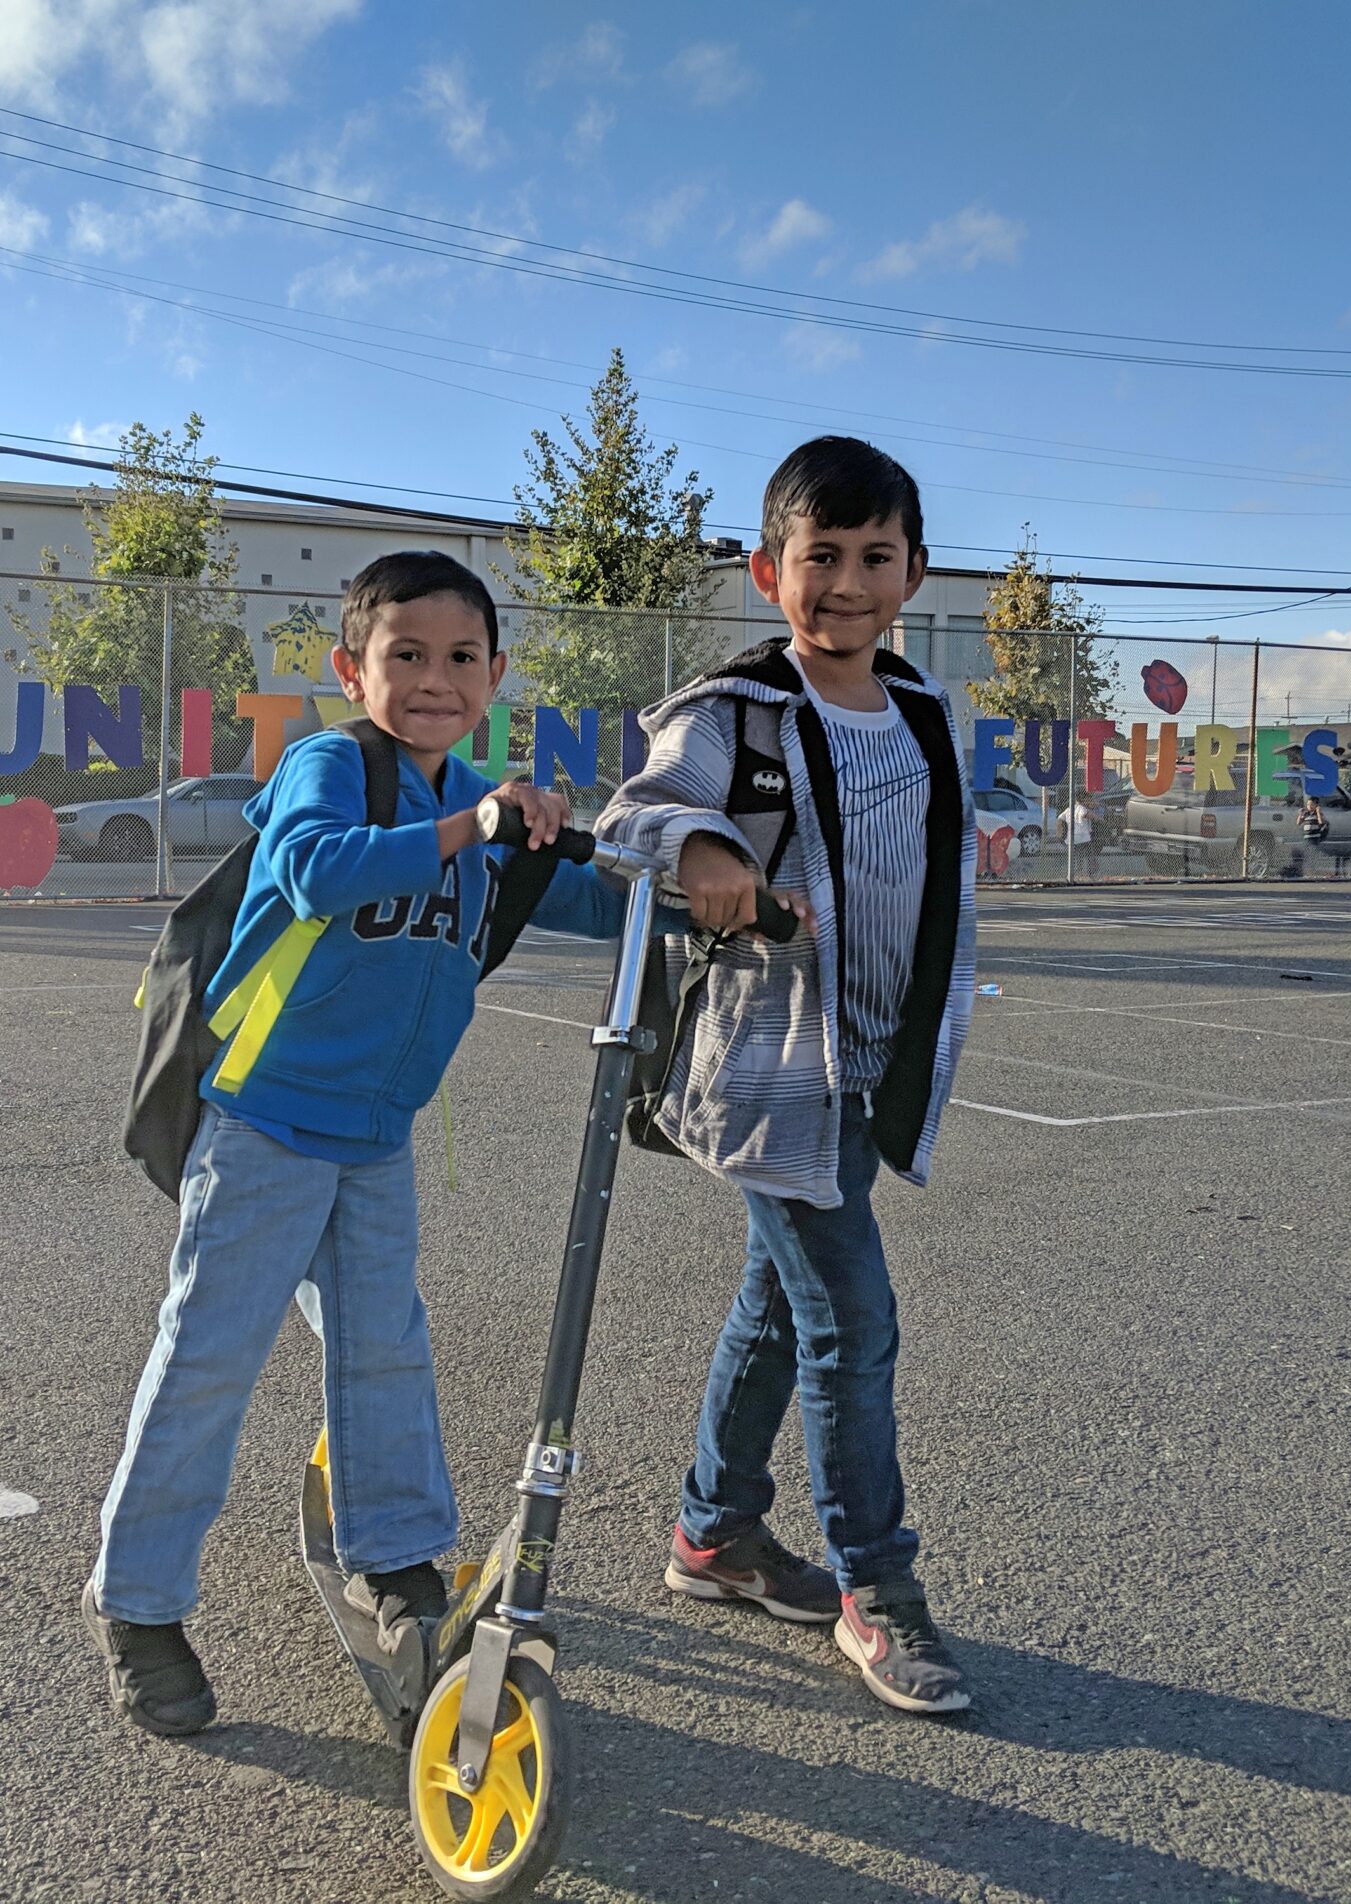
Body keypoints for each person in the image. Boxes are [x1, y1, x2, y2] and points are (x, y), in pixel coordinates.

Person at [84, 549, 623, 1737]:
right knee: (207, 1360)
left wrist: (706, 888)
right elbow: (315, 869)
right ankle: (139, 1604)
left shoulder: (476, 802)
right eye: (406, 655)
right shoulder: (331, 766)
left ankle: (395, 1562)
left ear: (494, 676)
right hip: (264, 1122)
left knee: (385, 1349)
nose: (435, 679)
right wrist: (468, 821)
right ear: (352, 668)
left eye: (461, 658)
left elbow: (586, 894)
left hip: (376, 1138)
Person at [596, 436, 978, 1715]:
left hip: (868, 1063)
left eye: (875, 558)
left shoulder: (921, 711)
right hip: (771, 1073)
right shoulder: (738, 712)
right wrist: (703, 841)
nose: (848, 585)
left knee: (779, 1307)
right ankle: (880, 1587)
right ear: (772, 570)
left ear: (912, 571)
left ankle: (712, 1535)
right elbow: (634, 815)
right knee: (852, 1322)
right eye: (821, 558)